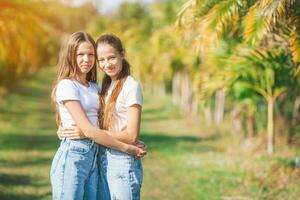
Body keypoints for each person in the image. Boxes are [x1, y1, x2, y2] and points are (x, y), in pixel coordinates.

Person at [50, 31, 145, 200]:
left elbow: (97, 125)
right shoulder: (67, 85)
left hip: (95, 157)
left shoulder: (95, 87)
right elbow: (88, 129)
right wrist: (127, 146)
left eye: (91, 54)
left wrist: (129, 138)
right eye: (80, 54)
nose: (86, 59)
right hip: (74, 155)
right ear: (70, 55)